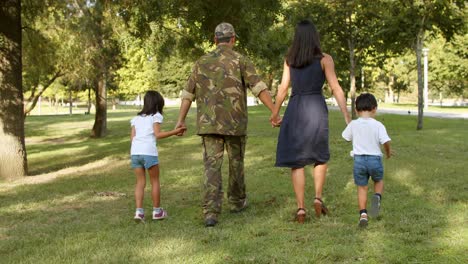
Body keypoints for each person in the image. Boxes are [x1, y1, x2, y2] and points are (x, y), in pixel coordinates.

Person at [176, 22, 276, 227]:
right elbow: (258, 88)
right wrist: (274, 111)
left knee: (211, 166)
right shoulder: (241, 60)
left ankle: (211, 212)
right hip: (235, 123)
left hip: (208, 123)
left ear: (215, 40)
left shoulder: (201, 62)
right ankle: (237, 202)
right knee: (236, 163)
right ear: (233, 39)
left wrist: (180, 120)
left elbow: (187, 95)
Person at [270, 20, 351, 223]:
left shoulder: (290, 60)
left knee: (297, 162)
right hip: (316, 107)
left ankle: (300, 209)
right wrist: (347, 117)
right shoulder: (325, 59)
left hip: (295, 108)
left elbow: (282, 89)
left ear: (297, 38)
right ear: (315, 36)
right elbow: (336, 89)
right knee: (320, 156)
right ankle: (317, 197)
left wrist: (275, 113)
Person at [131, 90, 186, 222]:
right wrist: (175, 132)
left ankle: (139, 212)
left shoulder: (136, 118)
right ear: (158, 104)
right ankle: (157, 212)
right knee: (155, 181)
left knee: (140, 183)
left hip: (135, 153)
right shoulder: (156, 116)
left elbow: (133, 138)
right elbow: (158, 135)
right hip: (148, 152)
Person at [342, 93, 392, 228]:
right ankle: (377, 196)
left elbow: (346, 137)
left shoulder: (353, 124)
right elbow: (386, 141)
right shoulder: (378, 125)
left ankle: (363, 214)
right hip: (374, 159)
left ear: (356, 110)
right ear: (374, 109)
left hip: (359, 161)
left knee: (362, 188)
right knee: (378, 180)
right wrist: (388, 152)